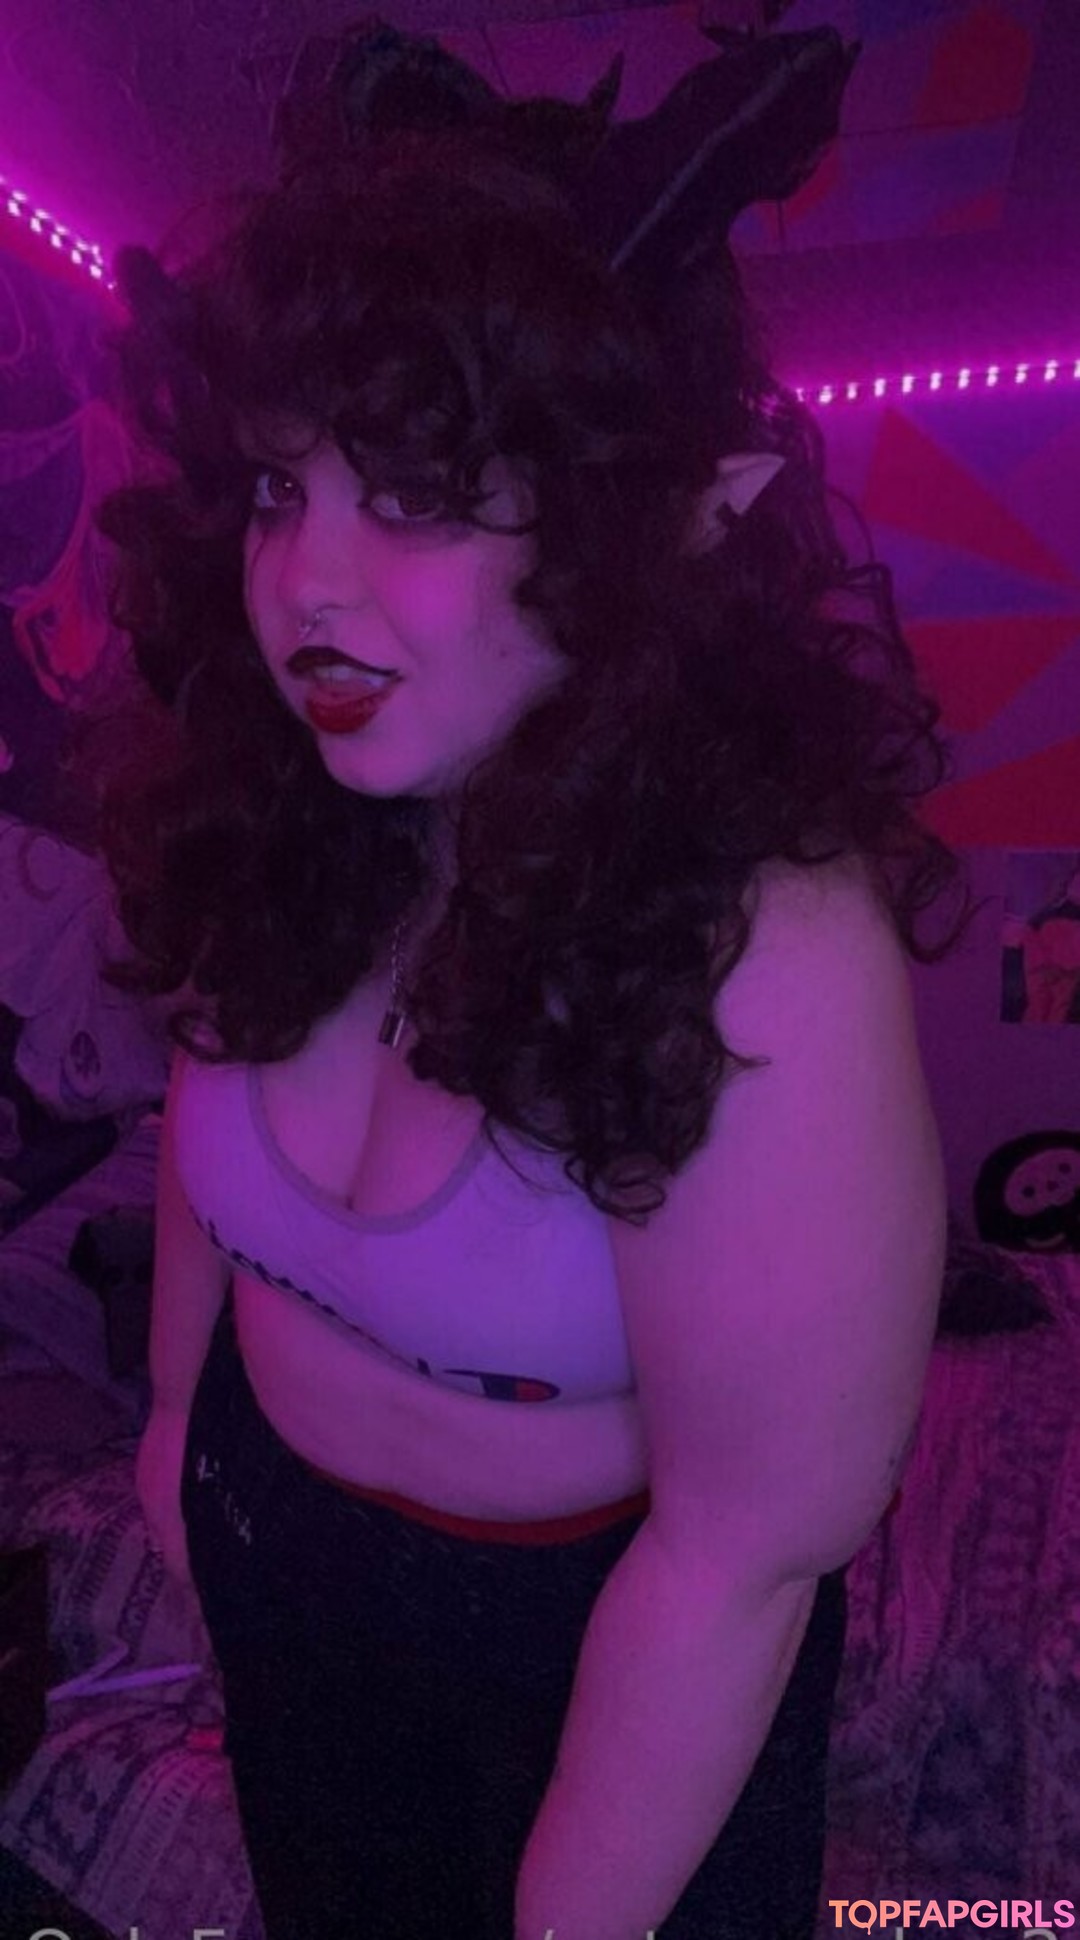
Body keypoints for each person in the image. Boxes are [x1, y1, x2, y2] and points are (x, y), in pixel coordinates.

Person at [95, 19, 976, 1940]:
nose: (305, 586)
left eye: (415, 494)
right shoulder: (300, 798)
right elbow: (200, 1161)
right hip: (272, 1541)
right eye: (280, 490)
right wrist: (175, 1432)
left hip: (598, 1638)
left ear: (645, 522)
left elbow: (742, 1556)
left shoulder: (763, 944)